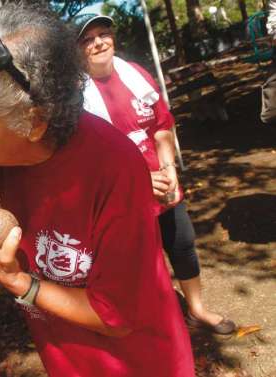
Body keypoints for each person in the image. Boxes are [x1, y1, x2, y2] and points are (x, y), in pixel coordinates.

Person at [0, 3, 194, 376]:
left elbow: (116, 318)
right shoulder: (10, 160)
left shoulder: (113, 167)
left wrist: (18, 282)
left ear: (35, 122)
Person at [77, 14, 236, 334]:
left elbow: (162, 126)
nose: (98, 43)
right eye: (88, 39)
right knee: (143, 263)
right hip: (119, 194)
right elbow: (85, 160)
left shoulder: (135, 74)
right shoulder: (75, 96)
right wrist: (137, 181)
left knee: (183, 244)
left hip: (161, 182)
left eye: (103, 34)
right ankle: (162, 321)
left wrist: (168, 167)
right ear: (78, 50)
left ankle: (197, 310)